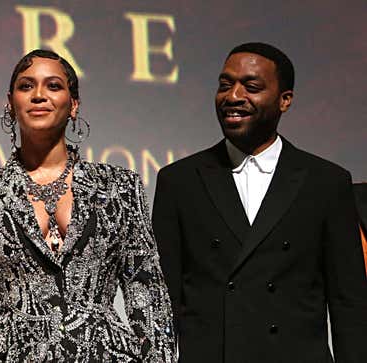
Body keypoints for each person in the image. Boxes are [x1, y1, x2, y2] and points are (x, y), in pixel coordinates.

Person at [0, 49, 176, 362]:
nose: (39, 95)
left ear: (74, 105)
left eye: (53, 86)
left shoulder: (118, 188)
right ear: (10, 104)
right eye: (26, 86)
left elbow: (149, 302)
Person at [152, 42, 367, 362]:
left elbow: (349, 304)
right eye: (225, 85)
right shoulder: (179, 181)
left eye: (250, 86)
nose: (233, 96)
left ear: (285, 100)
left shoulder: (326, 182)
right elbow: (160, 301)